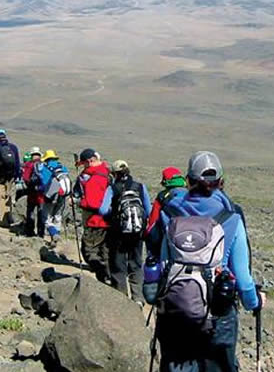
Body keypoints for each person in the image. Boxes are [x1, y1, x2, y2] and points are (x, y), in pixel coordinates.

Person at [148, 151, 265, 372]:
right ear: (221, 182)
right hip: (218, 314)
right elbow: (243, 278)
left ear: (188, 181)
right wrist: (254, 301)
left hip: (175, 309)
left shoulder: (169, 211)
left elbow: (163, 264)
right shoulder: (232, 217)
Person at [100, 160, 151, 305]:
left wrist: (114, 213)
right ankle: (138, 298)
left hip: (118, 233)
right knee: (136, 263)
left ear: (114, 173)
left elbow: (102, 210)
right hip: (137, 232)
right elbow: (148, 210)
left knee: (118, 265)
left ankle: (121, 299)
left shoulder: (112, 188)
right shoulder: (140, 187)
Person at [74, 148, 112, 282]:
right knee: (105, 251)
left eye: (84, 164)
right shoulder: (106, 173)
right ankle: (110, 278)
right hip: (108, 220)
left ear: (90, 161)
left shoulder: (95, 179)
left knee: (89, 251)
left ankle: (103, 277)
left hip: (94, 221)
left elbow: (93, 203)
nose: (83, 166)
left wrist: (78, 202)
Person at [35, 150, 70, 246]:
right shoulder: (63, 168)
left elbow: (44, 183)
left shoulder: (45, 168)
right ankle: (56, 239)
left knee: (46, 218)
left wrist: (40, 189)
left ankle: (54, 235)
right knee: (58, 217)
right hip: (63, 196)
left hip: (50, 196)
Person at [145, 167, 187, 237]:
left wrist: (148, 233)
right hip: (192, 233)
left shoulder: (162, 196)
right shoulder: (191, 193)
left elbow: (154, 219)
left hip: (169, 234)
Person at [22, 147, 43, 237]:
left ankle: (30, 232)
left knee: (30, 211)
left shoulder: (29, 164)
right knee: (41, 213)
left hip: (32, 193)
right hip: (42, 194)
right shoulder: (44, 164)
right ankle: (40, 233)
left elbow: (25, 178)